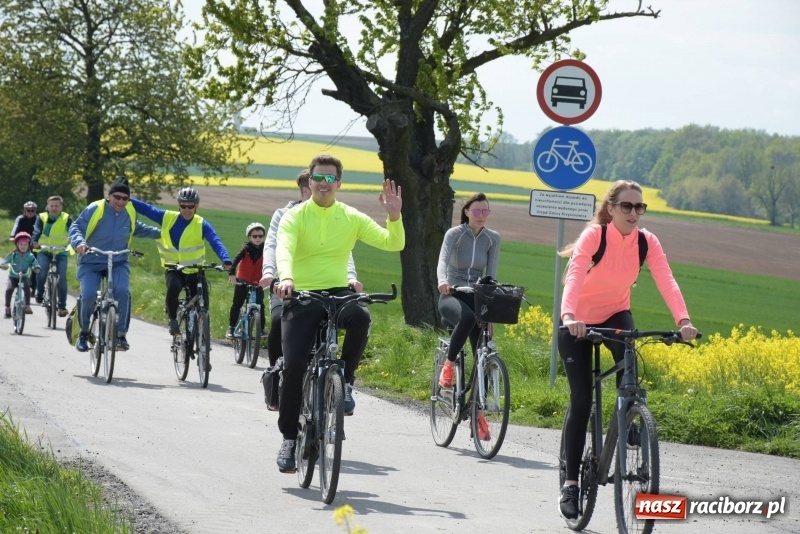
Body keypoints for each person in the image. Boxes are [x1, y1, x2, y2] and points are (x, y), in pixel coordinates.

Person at [557, 180, 697, 520]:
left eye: (639, 207)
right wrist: (569, 316)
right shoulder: (596, 236)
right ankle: (571, 485)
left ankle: (629, 416)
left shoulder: (647, 242)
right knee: (581, 400)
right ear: (611, 209)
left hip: (615, 314)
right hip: (577, 322)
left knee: (630, 361)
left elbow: (666, 279)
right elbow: (575, 274)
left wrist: (683, 319)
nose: (634, 213)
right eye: (627, 206)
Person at [272, 154, 404, 473]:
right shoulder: (294, 217)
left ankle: (346, 380)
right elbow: (283, 249)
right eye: (318, 177)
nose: (324, 183)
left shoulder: (350, 216)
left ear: (339, 183)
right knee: (293, 367)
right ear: (310, 180)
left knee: (361, 317)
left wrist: (394, 217)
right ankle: (289, 439)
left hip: (337, 290)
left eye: (330, 178)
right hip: (302, 294)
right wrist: (286, 278)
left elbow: (393, 243)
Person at [259, 169, 361, 411]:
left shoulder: (333, 216)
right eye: (317, 188)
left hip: (325, 286)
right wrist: (269, 273)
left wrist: (351, 277)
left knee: (350, 316)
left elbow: (342, 253)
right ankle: (278, 379)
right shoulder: (285, 215)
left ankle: (341, 382)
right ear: (306, 190)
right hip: (287, 286)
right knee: (278, 321)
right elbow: (272, 245)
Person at [130, 187, 232, 348]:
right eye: (183, 206)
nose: (187, 210)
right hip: (174, 269)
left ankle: (202, 339)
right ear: (179, 205)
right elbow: (147, 209)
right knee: (173, 287)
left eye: (190, 206)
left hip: (195, 270)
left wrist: (225, 259)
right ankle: (172, 319)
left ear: (196, 206)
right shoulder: (167, 218)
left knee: (203, 303)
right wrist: (125, 197)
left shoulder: (201, 224)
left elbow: (215, 241)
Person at [69, 176, 162, 352]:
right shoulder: (95, 208)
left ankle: (120, 335)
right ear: (109, 196)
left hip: (118, 261)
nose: (120, 201)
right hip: (91, 261)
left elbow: (139, 228)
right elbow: (76, 227)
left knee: (122, 292)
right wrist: (79, 243)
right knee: (88, 295)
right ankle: (83, 333)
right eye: (117, 197)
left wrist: (164, 232)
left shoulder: (129, 212)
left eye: (125, 198)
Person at [436, 192, 500, 441]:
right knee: (467, 318)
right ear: (466, 212)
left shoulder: (493, 239)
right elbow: (443, 261)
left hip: (477, 297)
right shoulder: (455, 234)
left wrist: (491, 312)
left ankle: (478, 414)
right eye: (477, 211)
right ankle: (448, 366)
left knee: (484, 355)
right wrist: (443, 281)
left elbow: (491, 277)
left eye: (485, 211)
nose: (481, 215)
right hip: (452, 293)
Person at [31, 195, 73, 316]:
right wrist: (34, 242)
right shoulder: (42, 217)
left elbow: (73, 232)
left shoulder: (67, 218)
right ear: (48, 207)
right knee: (42, 270)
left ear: (61, 207)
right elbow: (37, 231)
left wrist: (75, 244)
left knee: (62, 277)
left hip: (61, 251)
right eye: (52, 206)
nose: (54, 208)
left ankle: (62, 307)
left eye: (57, 206)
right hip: (44, 250)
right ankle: (39, 291)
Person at [227, 222, 267, 339]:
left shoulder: (266, 250)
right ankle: (231, 328)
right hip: (242, 281)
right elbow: (235, 261)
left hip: (257, 282)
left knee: (260, 305)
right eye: (255, 236)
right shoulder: (245, 250)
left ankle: (261, 329)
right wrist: (232, 274)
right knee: (237, 304)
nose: (258, 238)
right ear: (249, 237)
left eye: (260, 236)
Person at [2, 232, 40, 317]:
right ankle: (7, 307)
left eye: (25, 245)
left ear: (28, 245)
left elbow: (35, 263)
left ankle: (27, 306)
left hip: (24, 276)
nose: (23, 246)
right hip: (13, 277)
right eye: (21, 244)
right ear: (17, 245)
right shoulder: (13, 255)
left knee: (27, 288)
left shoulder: (30, 256)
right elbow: (6, 263)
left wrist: (36, 267)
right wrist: (4, 266)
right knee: (9, 289)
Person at [10, 201, 39, 289]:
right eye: (28, 210)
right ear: (25, 211)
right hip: (22, 243)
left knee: (35, 264)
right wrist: (12, 237)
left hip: (33, 244)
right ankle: (13, 280)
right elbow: (15, 228)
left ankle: (33, 287)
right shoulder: (20, 218)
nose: (30, 212)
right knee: (16, 260)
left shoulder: (38, 219)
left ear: (35, 211)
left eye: (32, 210)